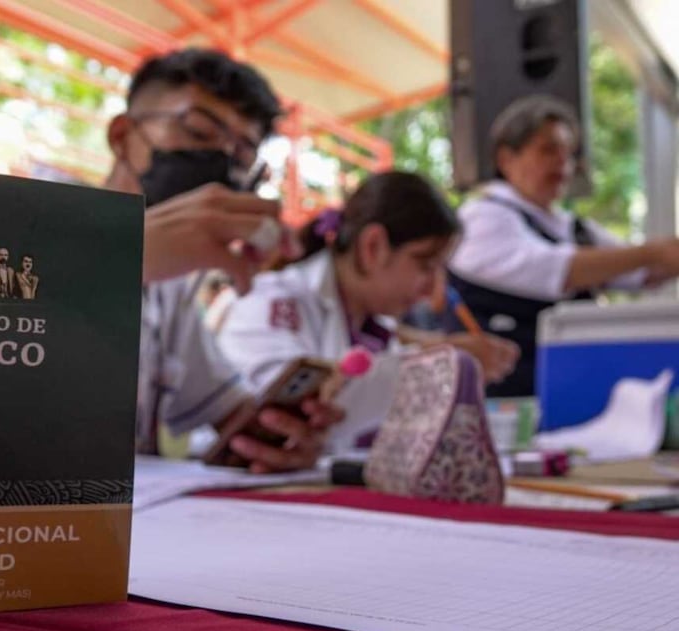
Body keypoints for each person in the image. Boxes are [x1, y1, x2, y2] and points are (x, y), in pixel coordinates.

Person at [104, 48, 340, 473]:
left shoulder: (170, 287)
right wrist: (118, 255)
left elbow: (231, 415)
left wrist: (279, 437)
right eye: (197, 132)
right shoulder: (19, 234)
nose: (220, 164)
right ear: (122, 136)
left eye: (242, 155)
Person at [217, 172, 518, 450]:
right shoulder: (276, 300)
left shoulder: (375, 327)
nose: (433, 288)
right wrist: (442, 363)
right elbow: (284, 406)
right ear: (373, 246)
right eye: (425, 264)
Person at [448, 94, 679, 396]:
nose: (563, 164)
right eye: (548, 151)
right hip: (501, 400)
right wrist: (653, 252)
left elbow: (640, 272)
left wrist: (664, 258)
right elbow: (556, 269)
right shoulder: (482, 218)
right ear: (506, 159)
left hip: (569, 389)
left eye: (569, 154)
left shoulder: (575, 228)